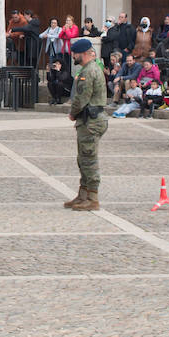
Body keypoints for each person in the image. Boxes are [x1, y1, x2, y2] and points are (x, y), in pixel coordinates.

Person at [65, 38, 107, 211]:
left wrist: (73, 113)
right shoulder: (90, 69)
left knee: (89, 159)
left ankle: (92, 198)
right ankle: (83, 194)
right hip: (90, 119)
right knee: (83, 158)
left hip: (91, 120)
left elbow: (81, 98)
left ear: (82, 54)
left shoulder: (88, 72)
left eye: (74, 53)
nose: (72, 56)